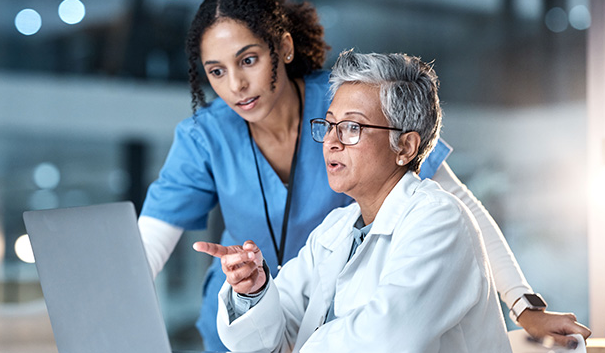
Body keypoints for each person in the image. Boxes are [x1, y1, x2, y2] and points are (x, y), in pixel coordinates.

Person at [138, 0, 590, 350]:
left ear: (285, 48)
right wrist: (252, 289)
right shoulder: (212, 139)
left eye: (249, 60)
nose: (235, 85)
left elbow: (459, 206)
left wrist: (522, 303)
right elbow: (144, 254)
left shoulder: (352, 104)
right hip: (269, 313)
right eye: (216, 71)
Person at [194, 50, 512, 353]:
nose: (331, 141)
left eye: (351, 127)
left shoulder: (439, 221)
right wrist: (253, 292)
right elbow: (275, 331)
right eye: (329, 125)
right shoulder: (337, 228)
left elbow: (386, 339)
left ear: (405, 146)